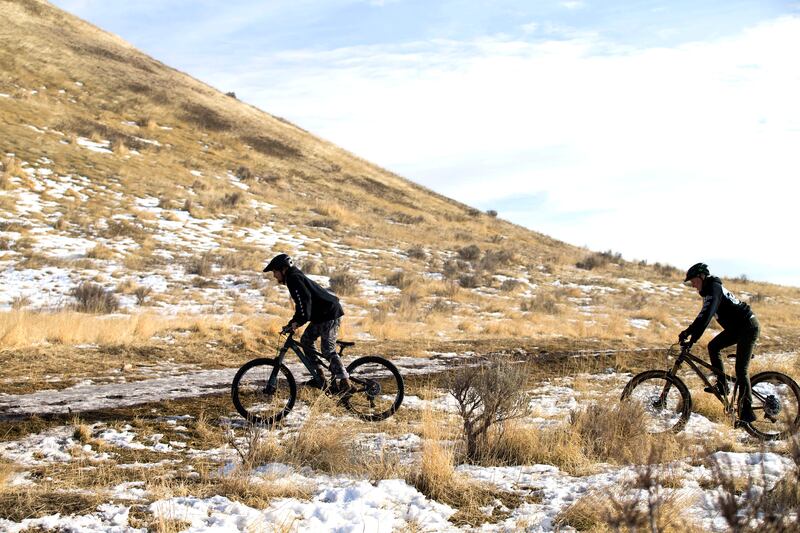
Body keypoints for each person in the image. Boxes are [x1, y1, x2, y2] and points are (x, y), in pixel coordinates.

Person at [679, 262, 759, 423]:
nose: (693, 286)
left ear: (702, 277)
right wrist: (688, 331)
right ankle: (723, 385)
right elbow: (702, 316)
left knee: (741, 370)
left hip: (748, 328)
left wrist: (693, 339)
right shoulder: (709, 292)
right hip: (737, 329)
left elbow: (707, 316)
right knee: (713, 346)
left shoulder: (714, 289)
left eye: (693, 281)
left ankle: (747, 412)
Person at [263, 253, 352, 393]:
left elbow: (305, 302)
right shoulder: (293, 278)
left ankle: (345, 381)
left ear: (283, 269)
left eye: (274, 271)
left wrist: (298, 321)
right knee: (306, 340)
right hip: (321, 316)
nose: (274, 275)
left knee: (327, 349)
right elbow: (302, 305)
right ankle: (320, 377)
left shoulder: (293, 278)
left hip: (329, 314)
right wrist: (293, 322)